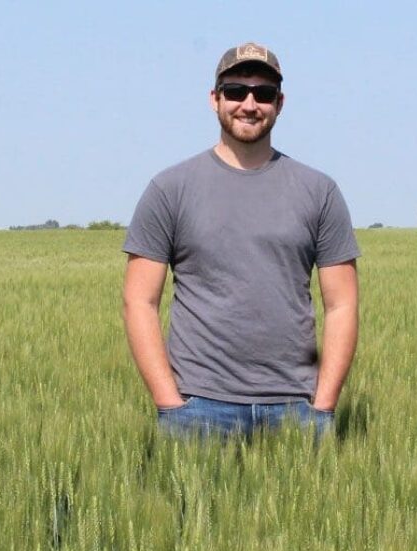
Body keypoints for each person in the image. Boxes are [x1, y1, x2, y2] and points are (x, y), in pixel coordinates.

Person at [122, 42, 360, 439]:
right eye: (236, 91)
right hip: (198, 406)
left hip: (295, 409)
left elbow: (342, 304)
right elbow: (138, 301)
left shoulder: (319, 191)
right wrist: (169, 403)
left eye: (263, 94)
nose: (249, 104)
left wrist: (323, 405)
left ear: (279, 104)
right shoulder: (169, 189)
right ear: (215, 99)